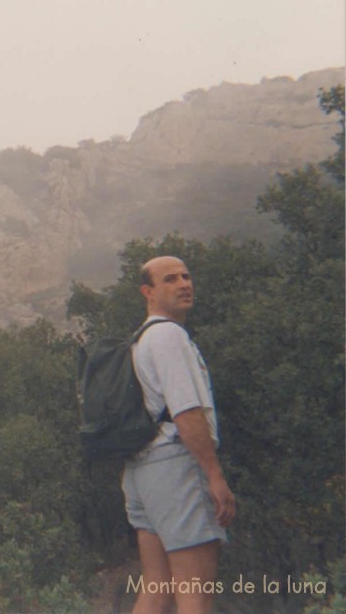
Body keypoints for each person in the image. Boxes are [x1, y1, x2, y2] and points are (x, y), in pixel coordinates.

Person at [123, 256, 235, 614]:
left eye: (187, 276)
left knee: (156, 589)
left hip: (142, 472)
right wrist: (214, 475)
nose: (184, 284)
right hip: (175, 468)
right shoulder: (169, 335)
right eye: (170, 279)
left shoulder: (139, 342)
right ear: (149, 292)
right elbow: (187, 412)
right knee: (194, 596)